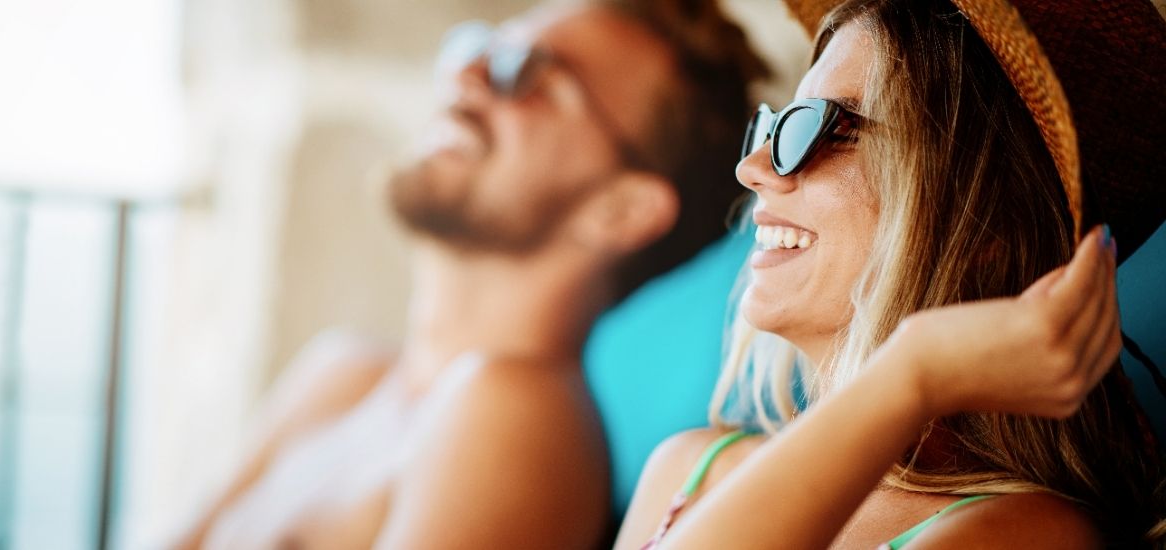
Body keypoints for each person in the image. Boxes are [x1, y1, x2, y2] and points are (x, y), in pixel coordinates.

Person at [169, 0, 766, 548]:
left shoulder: (513, 413)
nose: (464, 75)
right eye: (477, 47)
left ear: (622, 209)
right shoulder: (340, 376)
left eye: (527, 71)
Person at [616, 0, 1166, 548]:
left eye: (836, 128)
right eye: (778, 125)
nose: (753, 168)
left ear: (986, 233)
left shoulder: (1025, 535)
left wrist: (914, 371)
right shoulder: (687, 469)